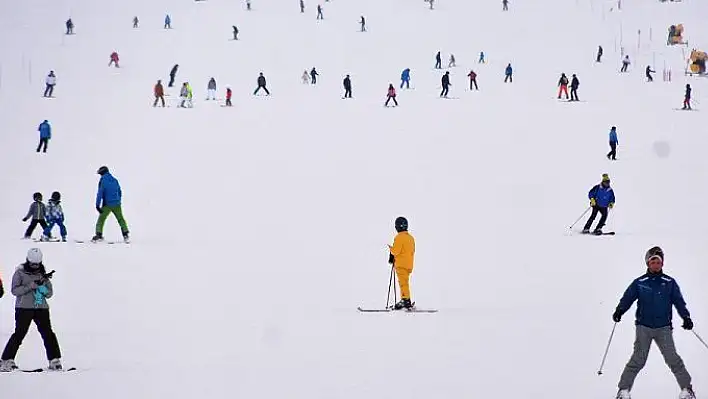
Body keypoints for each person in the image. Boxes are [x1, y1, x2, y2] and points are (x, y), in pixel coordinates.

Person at [612, 247, 695, 399]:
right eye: (653, 261)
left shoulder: (669, 282)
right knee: (638, 359)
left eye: (658, 262)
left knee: (672, 359)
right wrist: (620, 310)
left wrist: (686, 317)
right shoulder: (640, 282)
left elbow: (679, 302)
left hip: (663, 328)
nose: (656, 264)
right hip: (644, 327)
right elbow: (627, 298)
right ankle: (623, 391)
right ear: (648, 263)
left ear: (662, 264)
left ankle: (687, 390)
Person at [0, 248, 62, 372]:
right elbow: (15, 290)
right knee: (19, 333)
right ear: (28, 261)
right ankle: (6, 360)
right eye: (33, 264)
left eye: (37, 264)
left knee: (48, 334)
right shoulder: (20, 273)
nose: (35, 266)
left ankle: (54, 359)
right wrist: (31, 286)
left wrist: (41, 287)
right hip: (24, 308)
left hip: (41, 308)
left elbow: (49, 293)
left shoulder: (43, 274)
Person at [93, 166, 130, 243]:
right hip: (117, 204)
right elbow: (119, 191)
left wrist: (97, 205)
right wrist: (118, 200)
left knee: (101, 219)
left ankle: (99, 235)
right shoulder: (115, 180)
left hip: (107, 204)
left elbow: (100, 193)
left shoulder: (102, 181)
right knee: (120, 219)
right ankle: (125, 234)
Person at [388, 217, 415, 310]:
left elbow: (396, 251)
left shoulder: (399, 237)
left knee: (403, 283)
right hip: (409, 264)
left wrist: (390, 249)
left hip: (401, 265)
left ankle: (405, 300)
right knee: (405, 282)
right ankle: (406, 299)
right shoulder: (410, 238)